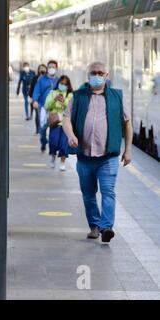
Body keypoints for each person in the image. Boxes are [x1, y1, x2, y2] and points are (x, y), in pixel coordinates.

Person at [62, 61, 133, 243]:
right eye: (93, 72)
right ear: (88, 76)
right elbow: (66, 118)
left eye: (101, 73)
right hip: (84, 156)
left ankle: (106, 227)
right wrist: (70, 135)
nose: (97, 75)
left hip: (108, 156)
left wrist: (128, 150)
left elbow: (127, 123)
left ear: (107, 76)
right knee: (88, 193)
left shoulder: (117, 96)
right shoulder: (77, 96)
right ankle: (94, 225)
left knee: (108, 191)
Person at [44, 75, 73, 171]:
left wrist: (64, 101)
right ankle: (53, 157)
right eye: (61, 83)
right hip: (55, 122)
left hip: (66, 123)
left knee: (64, 144)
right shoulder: (53, 93)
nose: (63, 85)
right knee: (53, 142)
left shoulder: (70, 95)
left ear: (68, 85)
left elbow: (71, 108)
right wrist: (54, 99)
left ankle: (63, 162)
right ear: (58, 83)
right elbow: (47, 106)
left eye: (65, 84)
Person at [33, 60, 60, 152]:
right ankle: (43, 142)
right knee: (43, 128)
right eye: (50, 67)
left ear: (56, 68)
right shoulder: (42, 80)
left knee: (55, 127)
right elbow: (36, 91)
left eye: (53, 67)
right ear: (47, 68)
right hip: (43, 107)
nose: (51, 69)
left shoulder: (59, 80)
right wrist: (35, 100)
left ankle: (52, 147)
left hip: (55, 108)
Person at [28, 64, 48, 134]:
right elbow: (32, 88)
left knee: (44, 115)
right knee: (37, 114)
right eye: (40, 68)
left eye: (43, 68)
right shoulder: (35, 78)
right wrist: (30, 97)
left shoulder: (48, 78)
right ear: (38, 70)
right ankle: (38, 129)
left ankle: (43, 128)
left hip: (46, 100)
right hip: (37, 100)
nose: (42, 69)